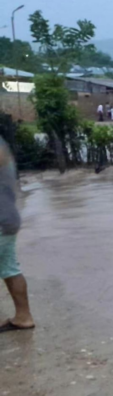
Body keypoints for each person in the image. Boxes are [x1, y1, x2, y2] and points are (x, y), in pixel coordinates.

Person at [0, 137, 34, 334]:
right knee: (9, 269)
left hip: (2, 219)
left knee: (9, 268)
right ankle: (23, 317)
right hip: (8, 218)